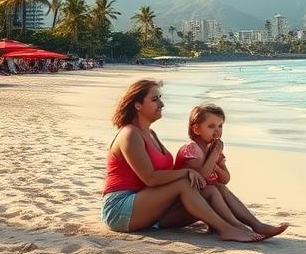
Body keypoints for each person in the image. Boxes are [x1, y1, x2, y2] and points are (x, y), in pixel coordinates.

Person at [101, 78, 261, 242]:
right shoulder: (130, 134)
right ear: (137, 105)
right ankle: (226, 229)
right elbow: (150, 178)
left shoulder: (151, 134)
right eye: (155, 99)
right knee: (184, 183)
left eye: (160, 98)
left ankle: (252, 225)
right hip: (120, 210)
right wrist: (187, 171)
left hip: (149, 207)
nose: (161, 104)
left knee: (210, 189)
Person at [175, 103, 289, 238]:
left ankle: (256, 224)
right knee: (211, 188)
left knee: (219, 186)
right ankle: (237, 226)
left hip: (202, 206)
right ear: (196, 129)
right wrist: (213, 155)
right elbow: (203, 177)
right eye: (211, 126)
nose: (217, 130)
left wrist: (216, 162)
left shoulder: (213, 149)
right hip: (182, 206)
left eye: (220, 126)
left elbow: (226, 178)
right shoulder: (191, 149)